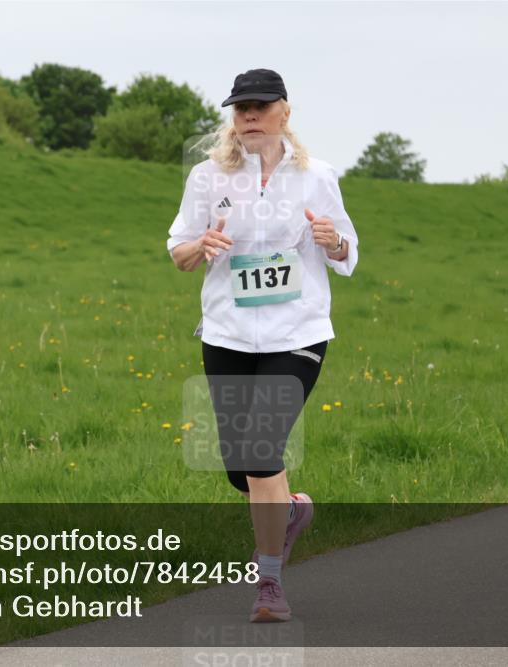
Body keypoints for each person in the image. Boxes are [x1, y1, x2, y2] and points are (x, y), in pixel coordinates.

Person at [167, 68, 359, 622]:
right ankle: (291, 510)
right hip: (227, 333)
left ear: (284, 112)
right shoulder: (207, 177)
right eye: (240, 107)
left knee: (258, 449)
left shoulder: (317, 176)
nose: (249, 115)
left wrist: (333, 240)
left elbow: (347, 250)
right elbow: (178, 250)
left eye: (260, 105)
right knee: (242, 470)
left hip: (297, 334)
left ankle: (268, 584)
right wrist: (200, 243)